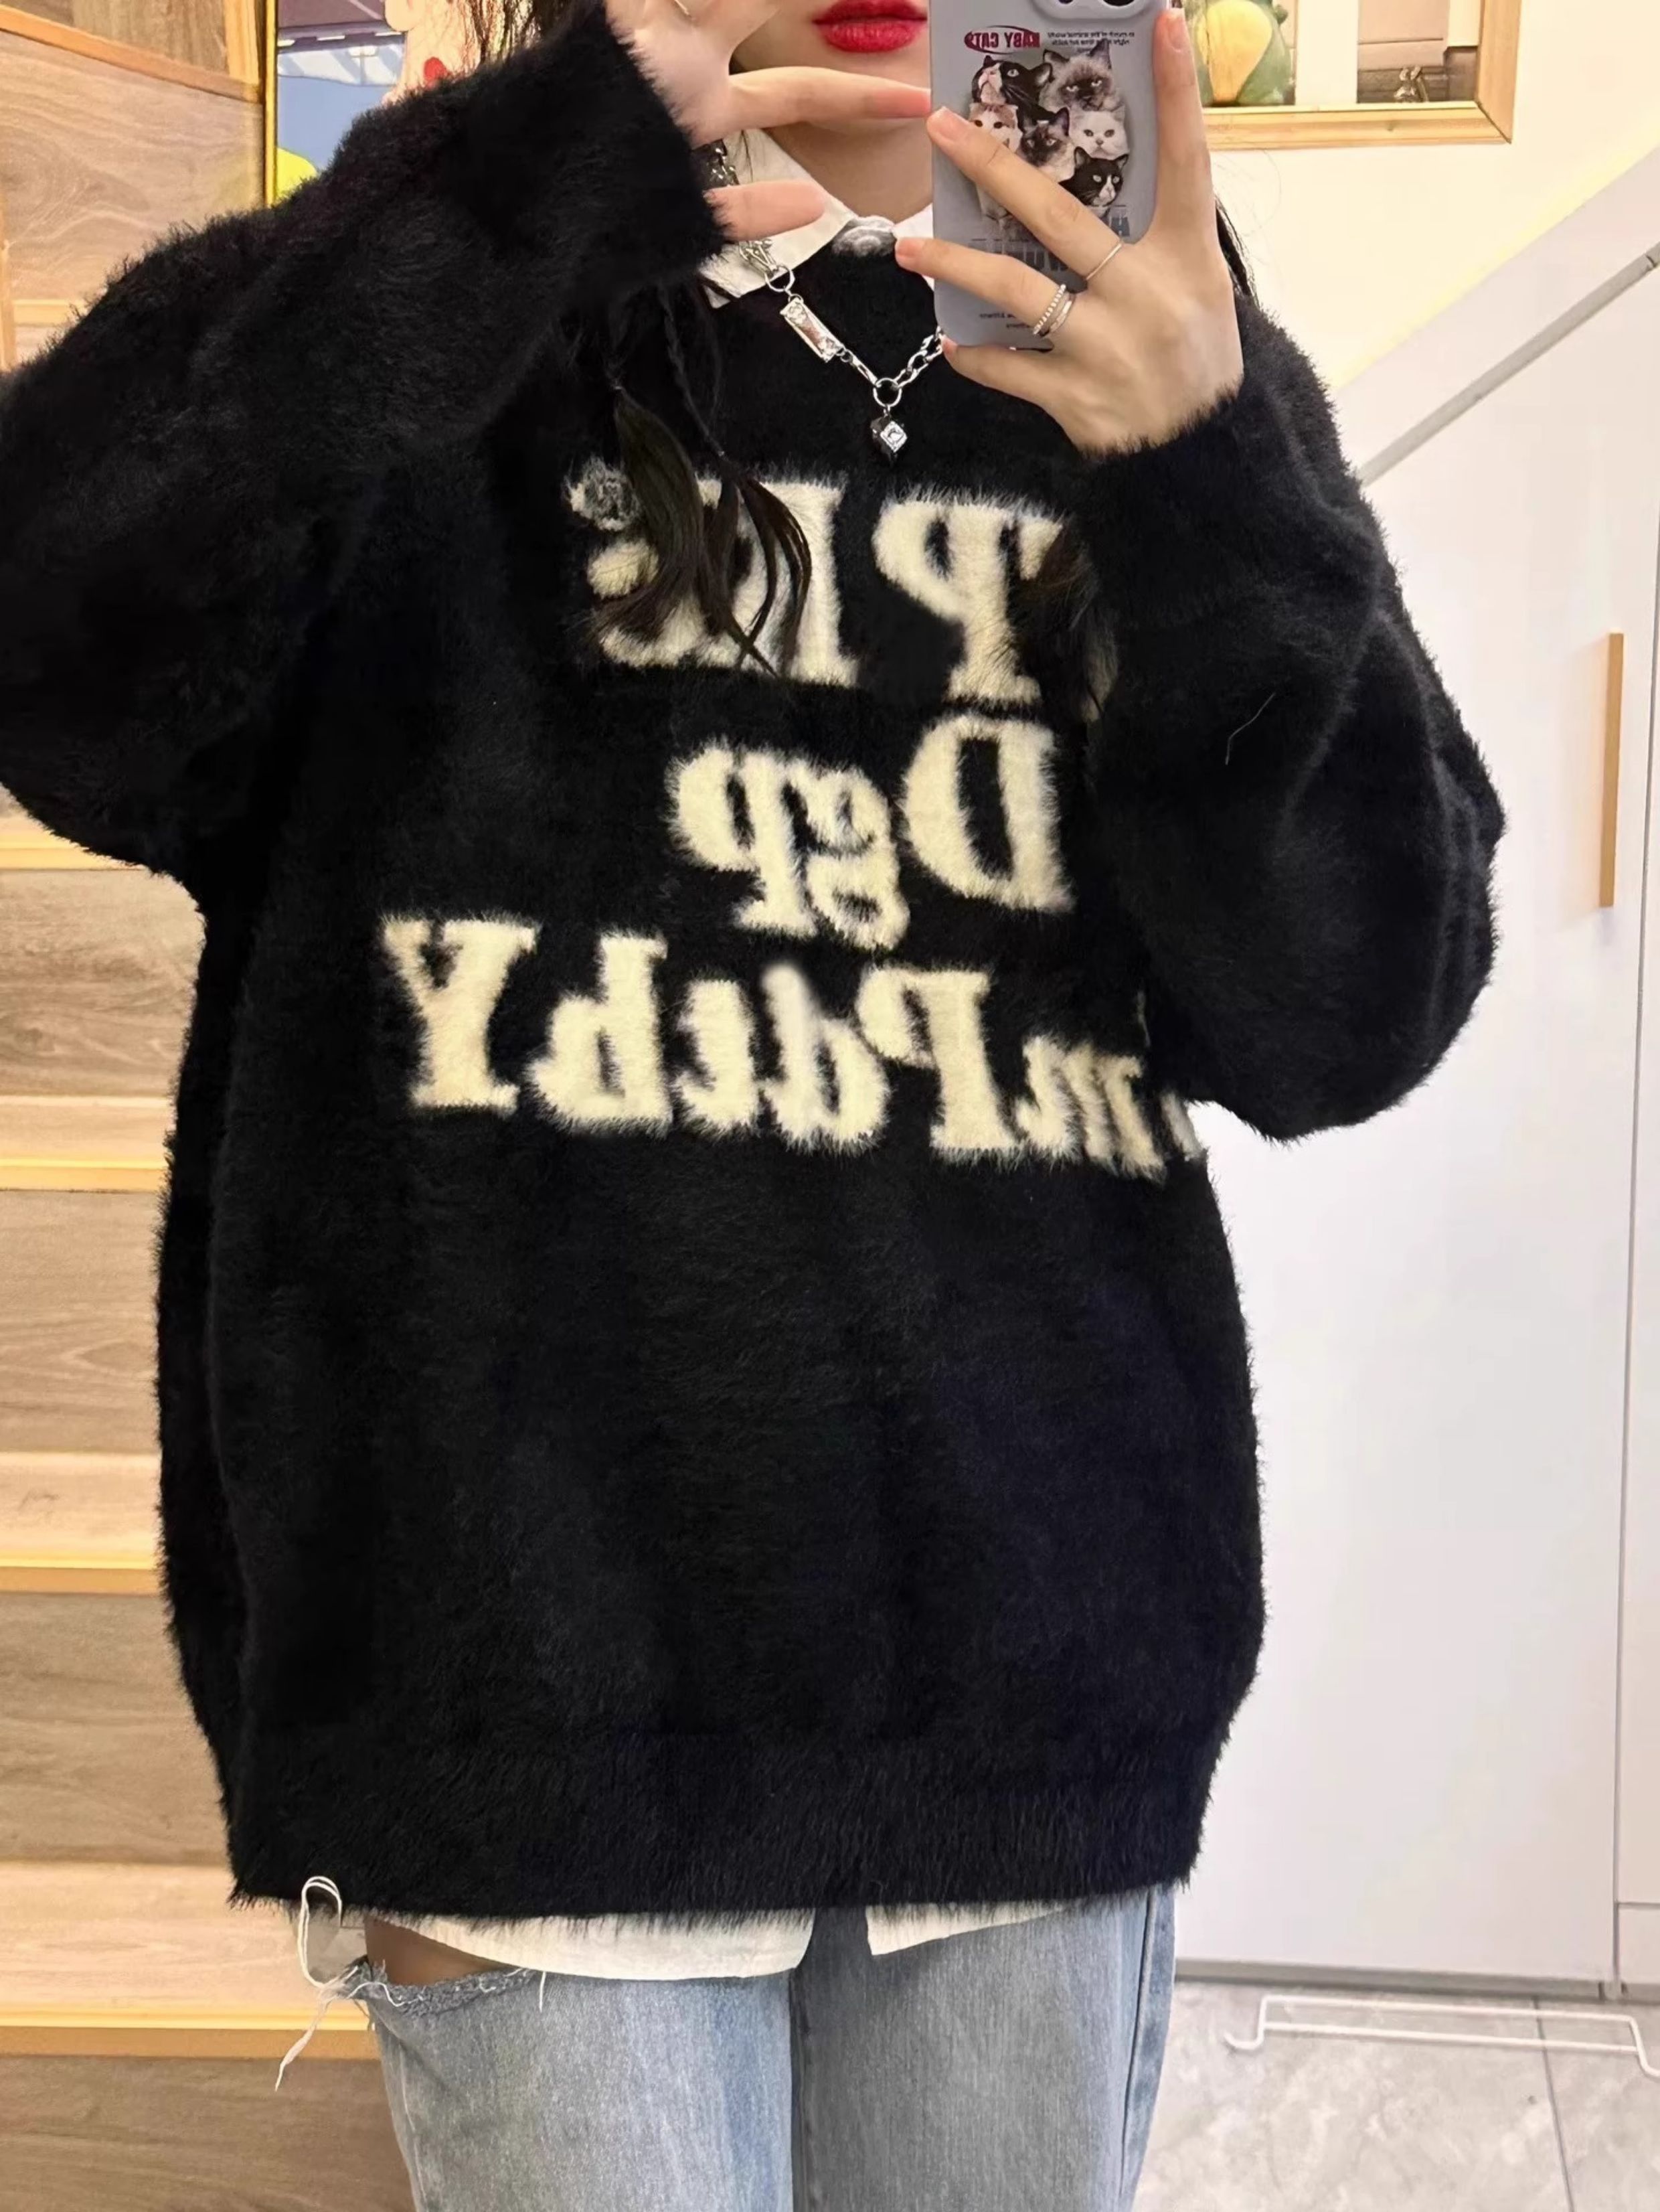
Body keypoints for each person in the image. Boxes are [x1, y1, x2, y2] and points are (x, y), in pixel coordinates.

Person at [0, 0, 1503, 2203]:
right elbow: (56, 648)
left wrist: (1211, 479)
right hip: (519, 1701)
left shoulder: (1145, 341)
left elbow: (1353, 1010)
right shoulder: (444, 288)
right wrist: (526, 180)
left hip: (1031, 1675)